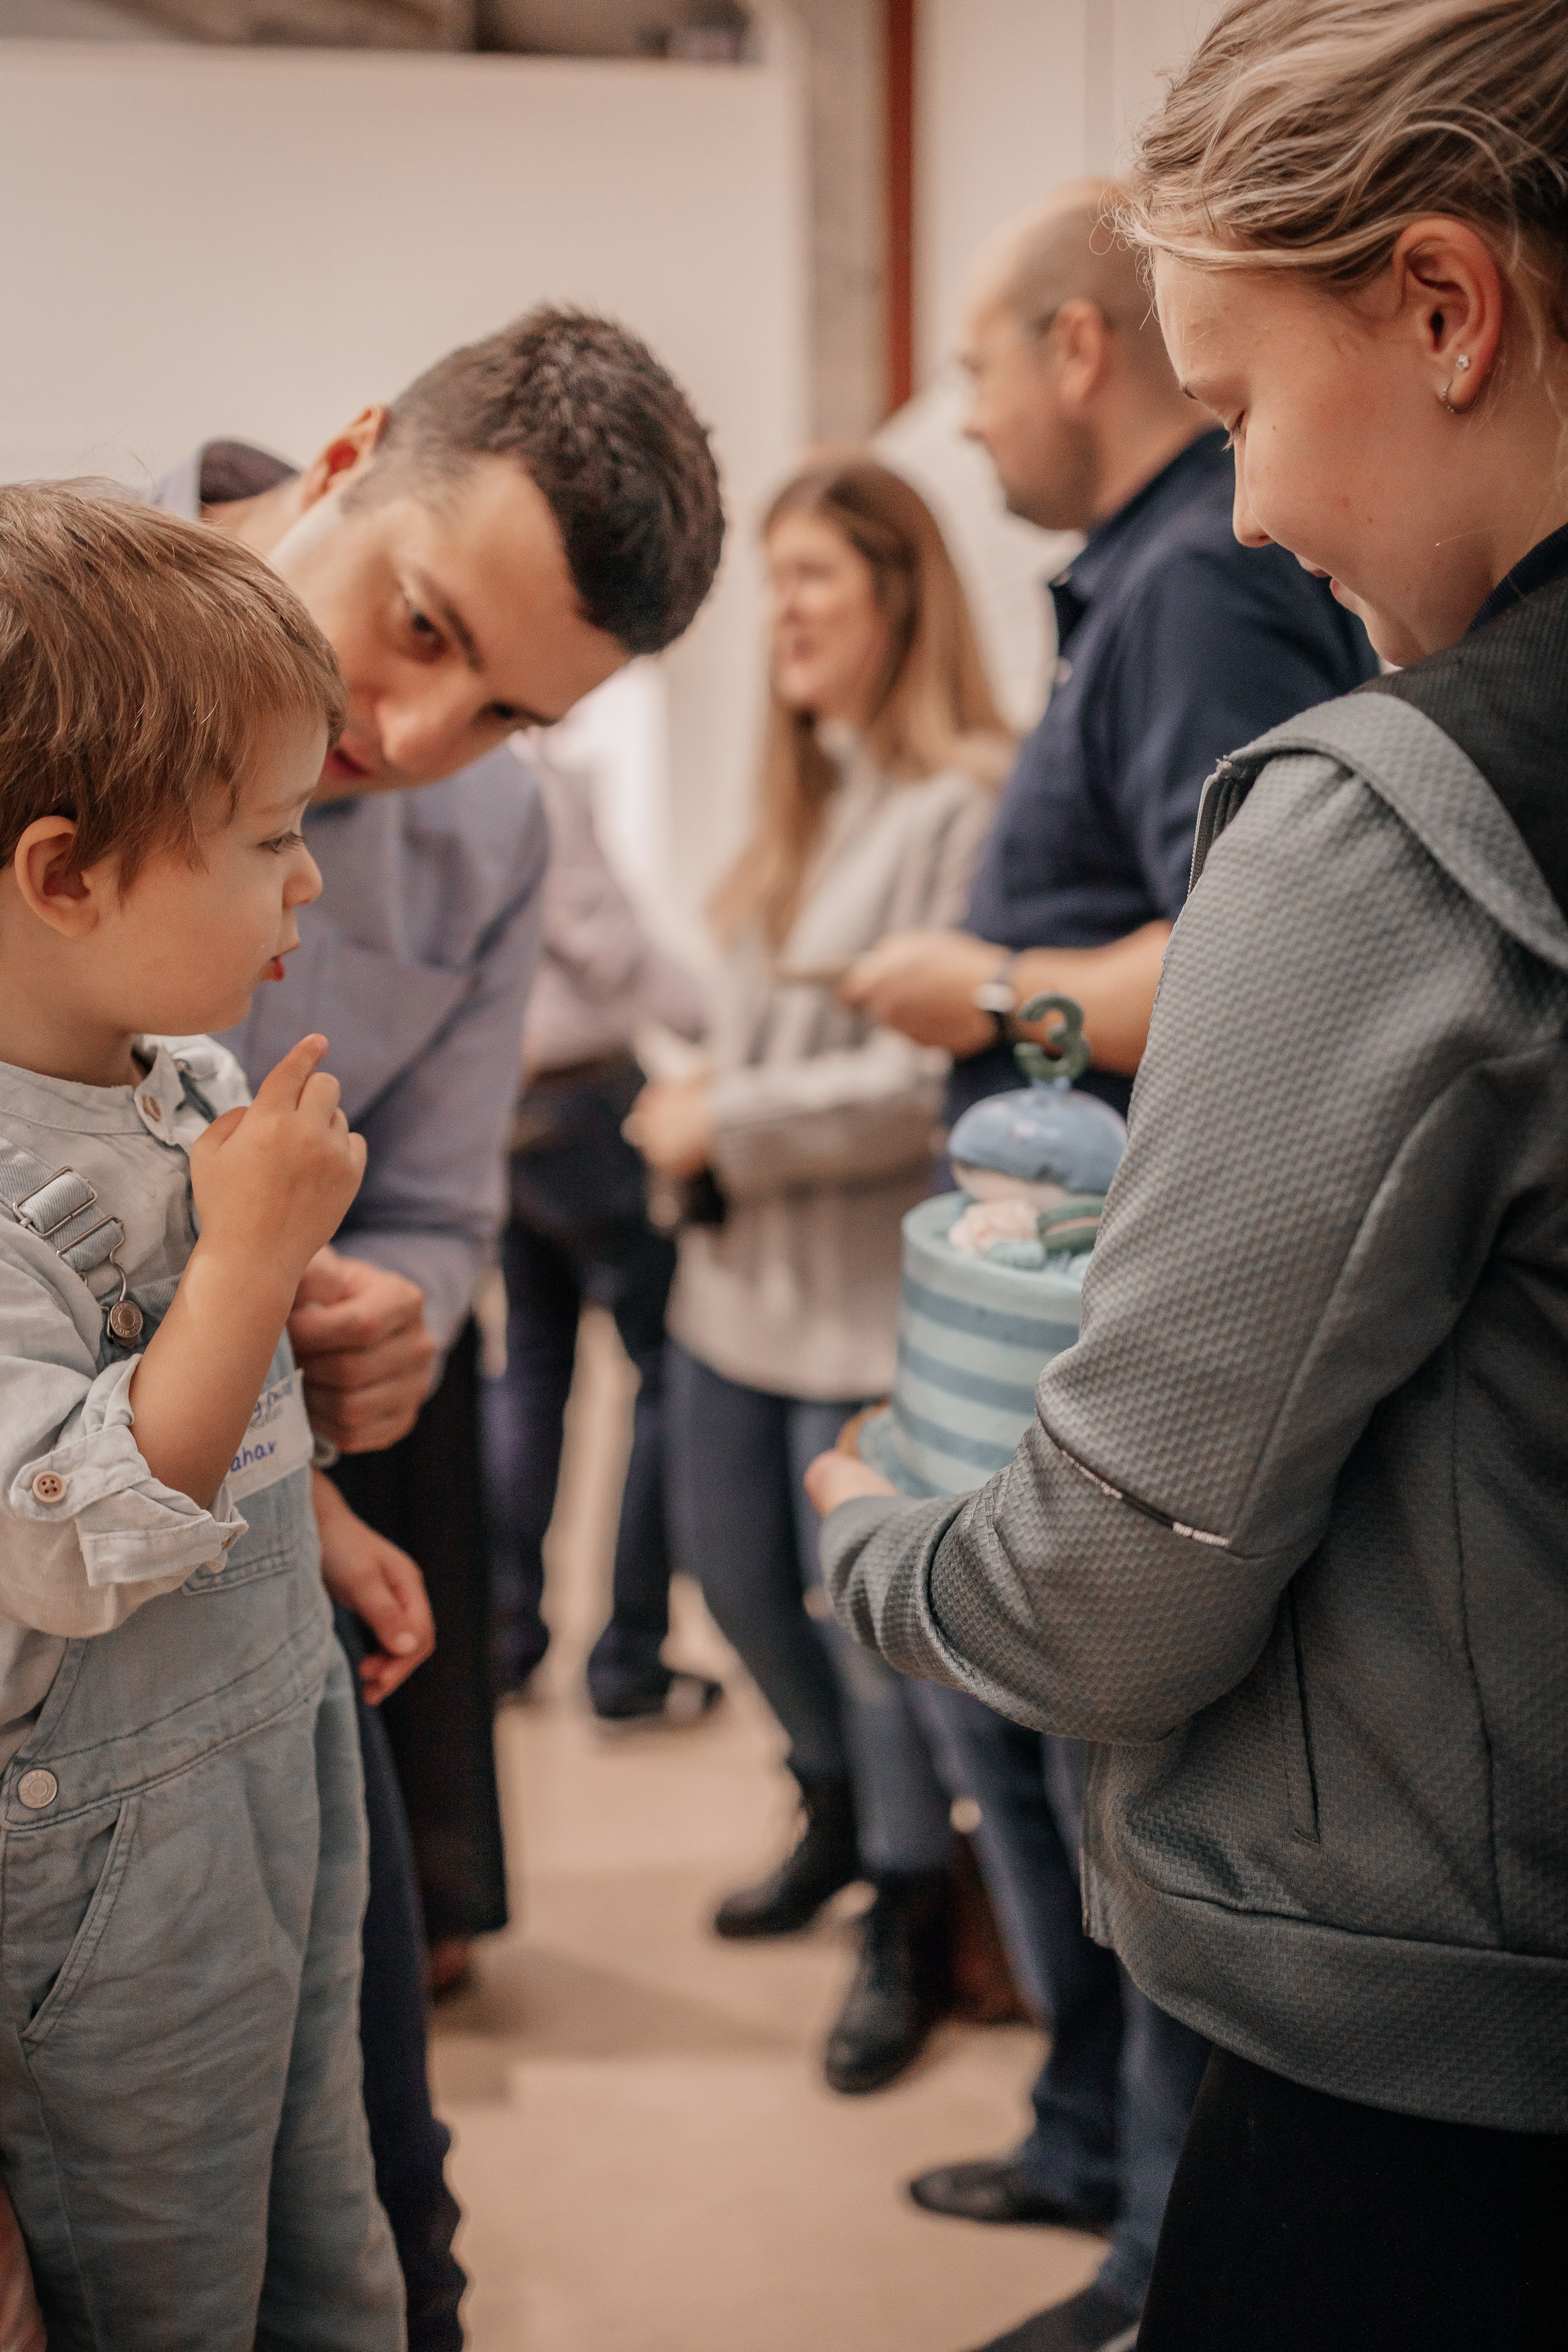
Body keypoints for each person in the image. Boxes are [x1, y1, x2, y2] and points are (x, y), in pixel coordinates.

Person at [812, 2, 1568, 2345]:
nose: (1244, 508)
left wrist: (879, 1535)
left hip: (1441, 2087)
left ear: (1444, 307)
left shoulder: (1383, 822)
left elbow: (1121, 1590)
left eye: (1239, 412)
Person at [823, 184, 1378, 2352]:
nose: (964, 417)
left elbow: (1243, 955)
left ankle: (1150, 2254)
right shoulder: (1146, 590)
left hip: (1127, 1292)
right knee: (1049, 1775)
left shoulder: (1194, 592)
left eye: (975, 364)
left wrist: (986, 985)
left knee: (1104, 1775)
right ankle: (1088, 2147)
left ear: (1077, 348)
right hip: (1064, 1271)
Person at [166, 308, 724, 2342]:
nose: (409, 737)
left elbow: (436, 1205)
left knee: (383, 2209)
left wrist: (397, 1310)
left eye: (505, 712)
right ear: (349, 454)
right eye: (417, 627)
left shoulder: (488, 840)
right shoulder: (42, 625)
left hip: (264, 1565)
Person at [0, 484, 402, 2345]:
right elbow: (70, 1541)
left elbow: (223, 1415)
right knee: (168, 2290)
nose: (307, 882)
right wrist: (248, 1260)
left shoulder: (185, 1074)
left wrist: (317, 1513)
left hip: (274, 1742)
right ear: (66, 875)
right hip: (108, 1856)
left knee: (325, 2228)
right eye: (269, 838)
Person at [629, 456, 1009, 2093]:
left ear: (898, 597)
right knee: (730, 1585)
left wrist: (726, 1118)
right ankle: (838, 1811)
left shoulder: (966, 801)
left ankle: (912, 1911)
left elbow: (928, 1082)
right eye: (772, 578)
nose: (777, 612)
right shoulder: (802, 803)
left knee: (872, 1644)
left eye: (811, 579)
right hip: (731, 1301)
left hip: (863, 1317)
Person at [481, 752, 720, 1722]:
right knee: (666, 1372)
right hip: (587, 1107)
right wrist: (732, 1029)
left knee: (534, 1370)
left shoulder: (456, 785)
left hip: (507, 1114)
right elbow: (604, 945)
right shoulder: (528, 782)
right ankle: (629, 1662)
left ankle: (507, 1641)